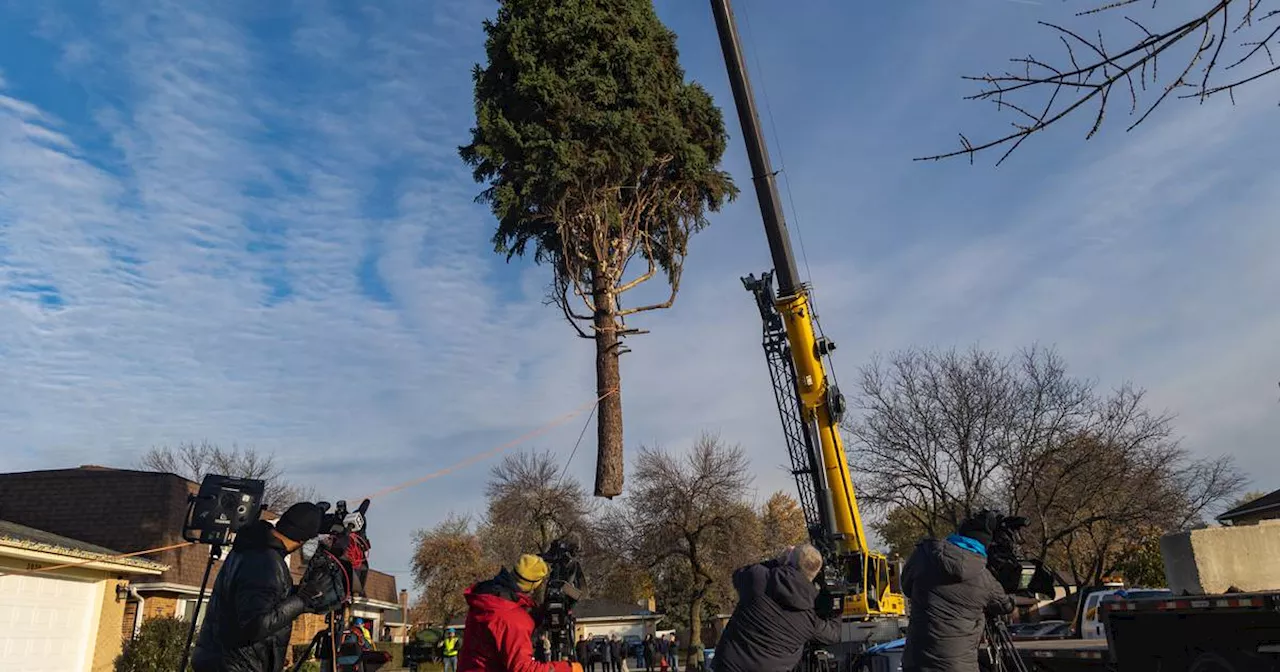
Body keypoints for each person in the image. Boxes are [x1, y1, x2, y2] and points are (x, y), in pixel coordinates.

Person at [192, 502, 341, 672]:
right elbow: (254, 624)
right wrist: (301, 600)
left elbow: (260, 596)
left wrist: (295, 594)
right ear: (302, 540)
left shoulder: (251, 548)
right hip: (237, 666)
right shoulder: (266, 562)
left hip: (221, 660)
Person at [901, 511, 1014, 672]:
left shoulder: (925, 555)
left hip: (917, 663)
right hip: (960, 667)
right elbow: (1006, 606)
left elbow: (906, 587)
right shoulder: (987, 580)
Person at [712, 544, 840, 672]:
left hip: (728, 665)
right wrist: (836, 597)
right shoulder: (810, 618)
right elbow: (833, 634)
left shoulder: (759, 579)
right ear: (815, 574)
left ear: (788, 561)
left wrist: (778, 561)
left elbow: (738, 575)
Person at [457, 554, 583, 672]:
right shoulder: (513, 619)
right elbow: (524, 668)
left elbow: (505, 624)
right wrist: (568, 668)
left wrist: (541, 612)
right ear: (534, 584)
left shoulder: (488, 599)